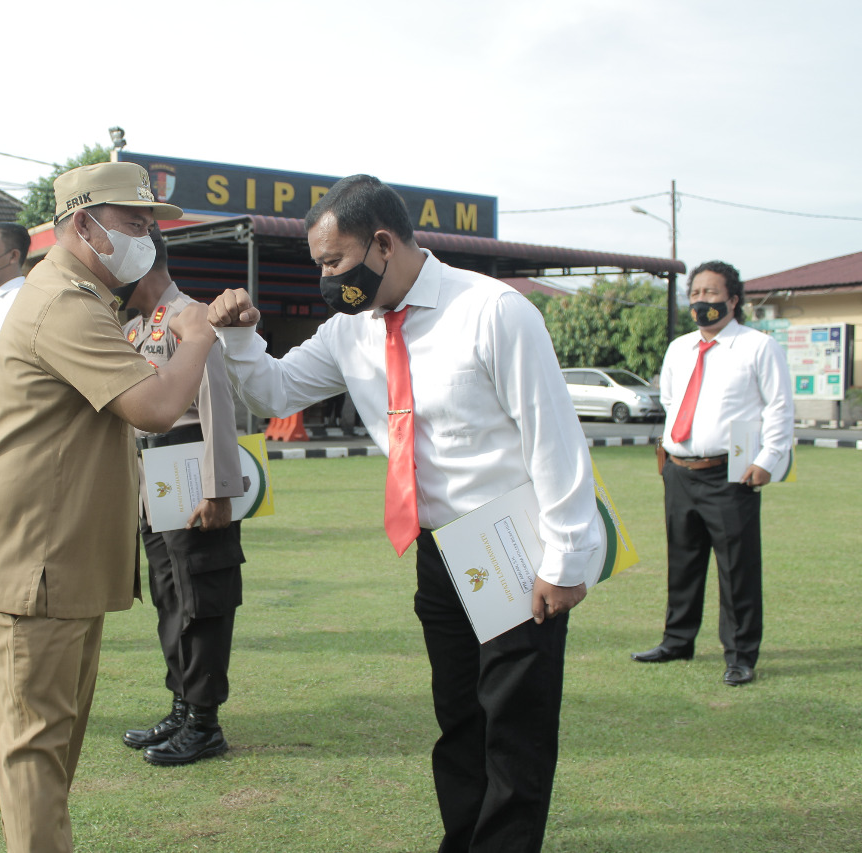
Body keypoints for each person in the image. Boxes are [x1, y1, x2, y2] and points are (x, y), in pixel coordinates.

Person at [207, 174, 601, 853]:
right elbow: (275, 391)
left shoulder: (492, 311)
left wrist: (567, 558)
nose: (328, 278)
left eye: (333, 261)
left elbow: (554, 437)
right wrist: (242, 338)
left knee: (515, 720)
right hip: (436, 546)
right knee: (458, 714)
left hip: (511, 537)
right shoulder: (350, 331)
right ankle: (464, 837)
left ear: (382, 243)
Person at [0, 162, 216, 852]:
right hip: (29, 566)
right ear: (82, 224)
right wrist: (198, 335)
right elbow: (157, 405)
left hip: (54, 566)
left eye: (150, 223)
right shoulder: (63, 302)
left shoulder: (82, 299)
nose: (147, 236)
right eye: (134, 222)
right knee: (37, 764)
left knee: (51, 755)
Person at [632, 261, 793, 687]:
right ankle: (677, 640)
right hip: (679, 471)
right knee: (682, 560)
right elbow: (670, 399)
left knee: (736, 567)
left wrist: (768, 460)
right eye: (697, 293)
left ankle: (740, 654)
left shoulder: (758, 347)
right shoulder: (679, 348)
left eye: (712, 292)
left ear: (733, 299)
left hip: (731, 471)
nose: (703, 300)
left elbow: (779, 410)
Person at [119, 226, 246, 766]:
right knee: (170, 597)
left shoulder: (193, 318)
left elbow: (216, 400)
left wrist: (219, 488)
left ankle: (205, 721)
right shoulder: (134, 327)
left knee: (203, 599)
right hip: (155, 475)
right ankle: (181, 705)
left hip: (193, 468)